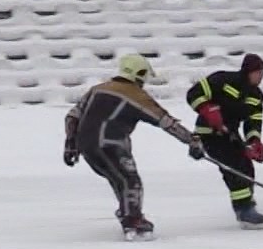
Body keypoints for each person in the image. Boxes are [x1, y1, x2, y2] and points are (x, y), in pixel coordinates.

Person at [64, 52, 205, 239]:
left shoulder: (97, 89)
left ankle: (127, 214)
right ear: (139, 74)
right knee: (130, 181)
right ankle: (133, 222)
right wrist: (191, 140)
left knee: (119, 179)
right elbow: (165, 121)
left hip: (86, 145)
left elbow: (72, 116)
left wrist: (70, 143)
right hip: (110, 144)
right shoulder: (136, 95)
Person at [187, 52, 263, 228]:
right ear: (248, 71)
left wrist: (254, 141)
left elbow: (254, 120)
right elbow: (194, 94)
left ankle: (246, 206)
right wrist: (207, 108)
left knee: (246, 166)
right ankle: (244, 209)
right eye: (258, 73)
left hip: (230, 135)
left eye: (262, 74)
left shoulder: (256, 95)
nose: (260, 77)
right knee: (234, 168)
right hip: (208, 133)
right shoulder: (222, 80)